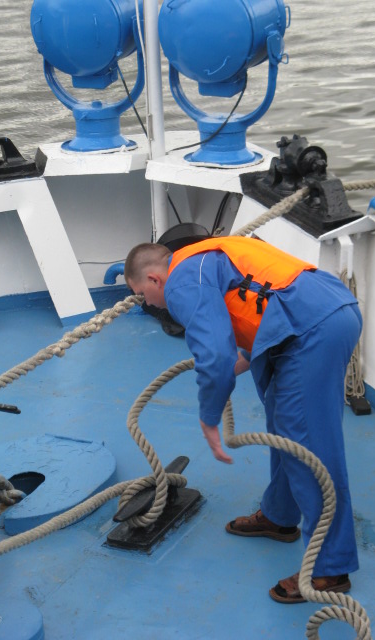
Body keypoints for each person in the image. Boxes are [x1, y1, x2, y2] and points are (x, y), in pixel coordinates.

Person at [124, 236, 362, 604]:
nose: (149, 304)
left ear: (155, 279)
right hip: (316, 313)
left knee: (308, 445)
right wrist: (246, 357)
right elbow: (260, 294)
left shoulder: (181, 282)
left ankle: (330, 569)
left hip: (313, 329)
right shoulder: (200, 258)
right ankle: (280, 516)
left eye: (143, 295)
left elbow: (215, 357)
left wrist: (209, 417)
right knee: (285, 429)